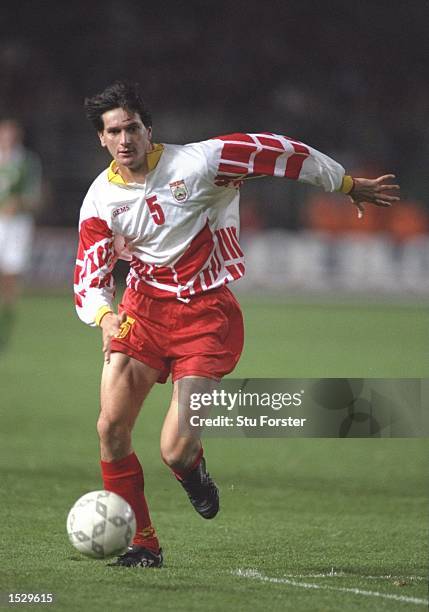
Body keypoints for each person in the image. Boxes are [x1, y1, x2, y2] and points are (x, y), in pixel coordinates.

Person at [74, 81, 399, 568]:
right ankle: (144, 543)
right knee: (110, 428)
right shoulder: (99, 200)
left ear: (148, 129)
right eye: (114, 131)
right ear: (102, 139)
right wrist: (105, 317)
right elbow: (90, 275)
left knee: (175, 450)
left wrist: (345, 184)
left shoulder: (201, 162)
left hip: (205, 314)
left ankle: (193, 470)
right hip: (141, 313)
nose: (126, 140)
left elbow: (280, 152)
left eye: (133, 128)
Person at [0, 119, 42, 352]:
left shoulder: (27, 162)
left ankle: (7, 316)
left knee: (11, 272)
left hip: (17, 224)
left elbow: (35, 196)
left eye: (11, 134)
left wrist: (20, 203)